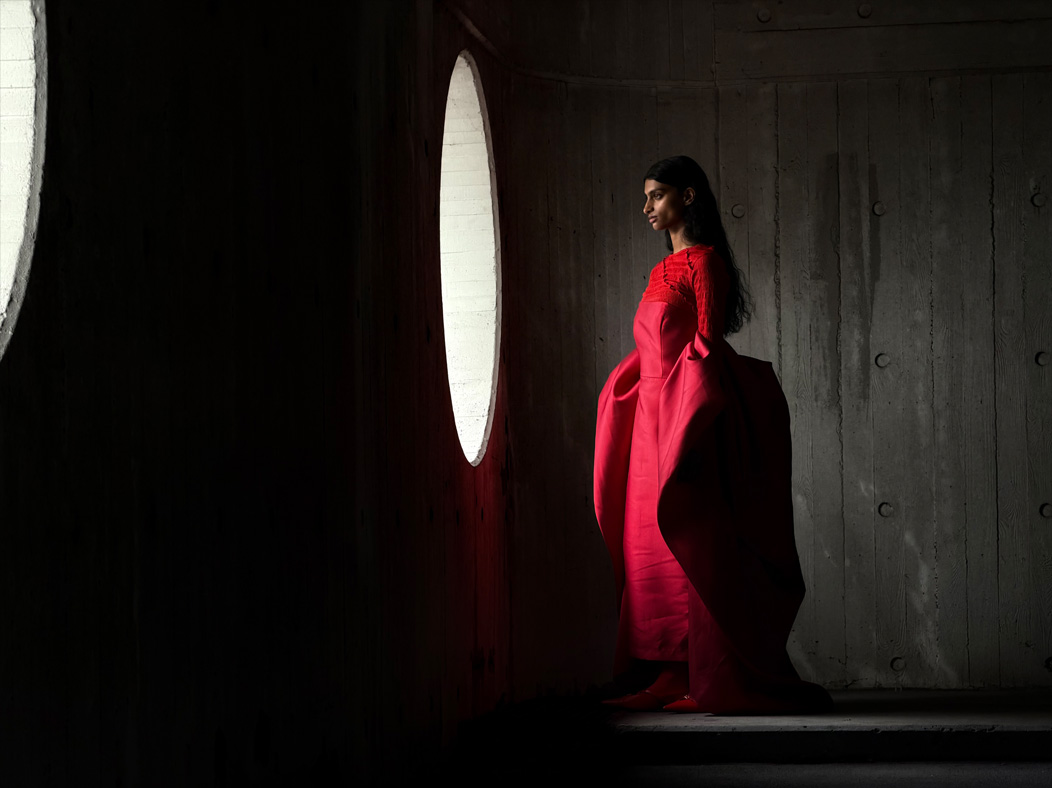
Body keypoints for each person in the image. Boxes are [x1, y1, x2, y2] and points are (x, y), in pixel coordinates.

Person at [593, 155, 833, 714]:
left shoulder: (705, 265)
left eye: (656, 195)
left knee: (693, 550)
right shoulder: (659, 271)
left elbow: (704, 350)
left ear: (689, 197)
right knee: (648, 551)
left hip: (685, 422)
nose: (647, 207)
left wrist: (693, 429)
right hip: (648, 429)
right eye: (646, 197)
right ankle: (668, 674)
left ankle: (708, 679)